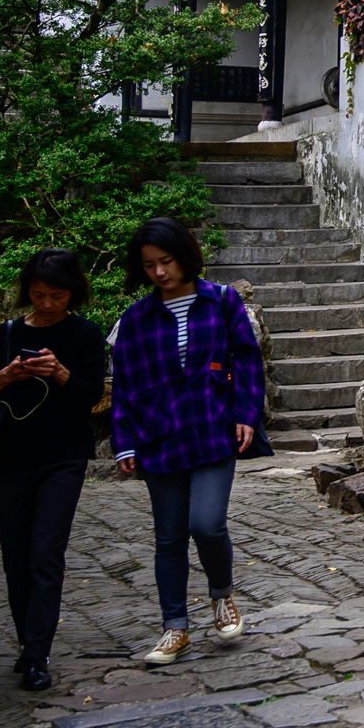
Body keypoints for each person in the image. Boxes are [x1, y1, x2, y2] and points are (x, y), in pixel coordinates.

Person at [110, 217, 263, 665]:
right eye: (150, 265)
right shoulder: (136, 319)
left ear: (185, 256)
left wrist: (246, 413)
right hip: (159, 437)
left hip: (215, 430)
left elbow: (247, 361)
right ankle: (174, 628)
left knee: (207, 523)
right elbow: (124, 384)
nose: (159, 272)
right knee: (169, 537)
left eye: (167, 261)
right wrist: (125, 442)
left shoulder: (221, 301)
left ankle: (222, 595)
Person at [0, 249, 107, 692]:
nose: (47, 304)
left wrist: (59, 372)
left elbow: (89, 398)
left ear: (72, 294)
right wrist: (7, 374)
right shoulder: (6, 333)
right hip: (7, 460)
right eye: (40, 294)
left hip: (62, 458)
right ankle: (28, 643)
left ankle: (37, 653)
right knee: (16, 555)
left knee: (46, 552)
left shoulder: (85, 334)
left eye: (57, 296)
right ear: (28, 290)